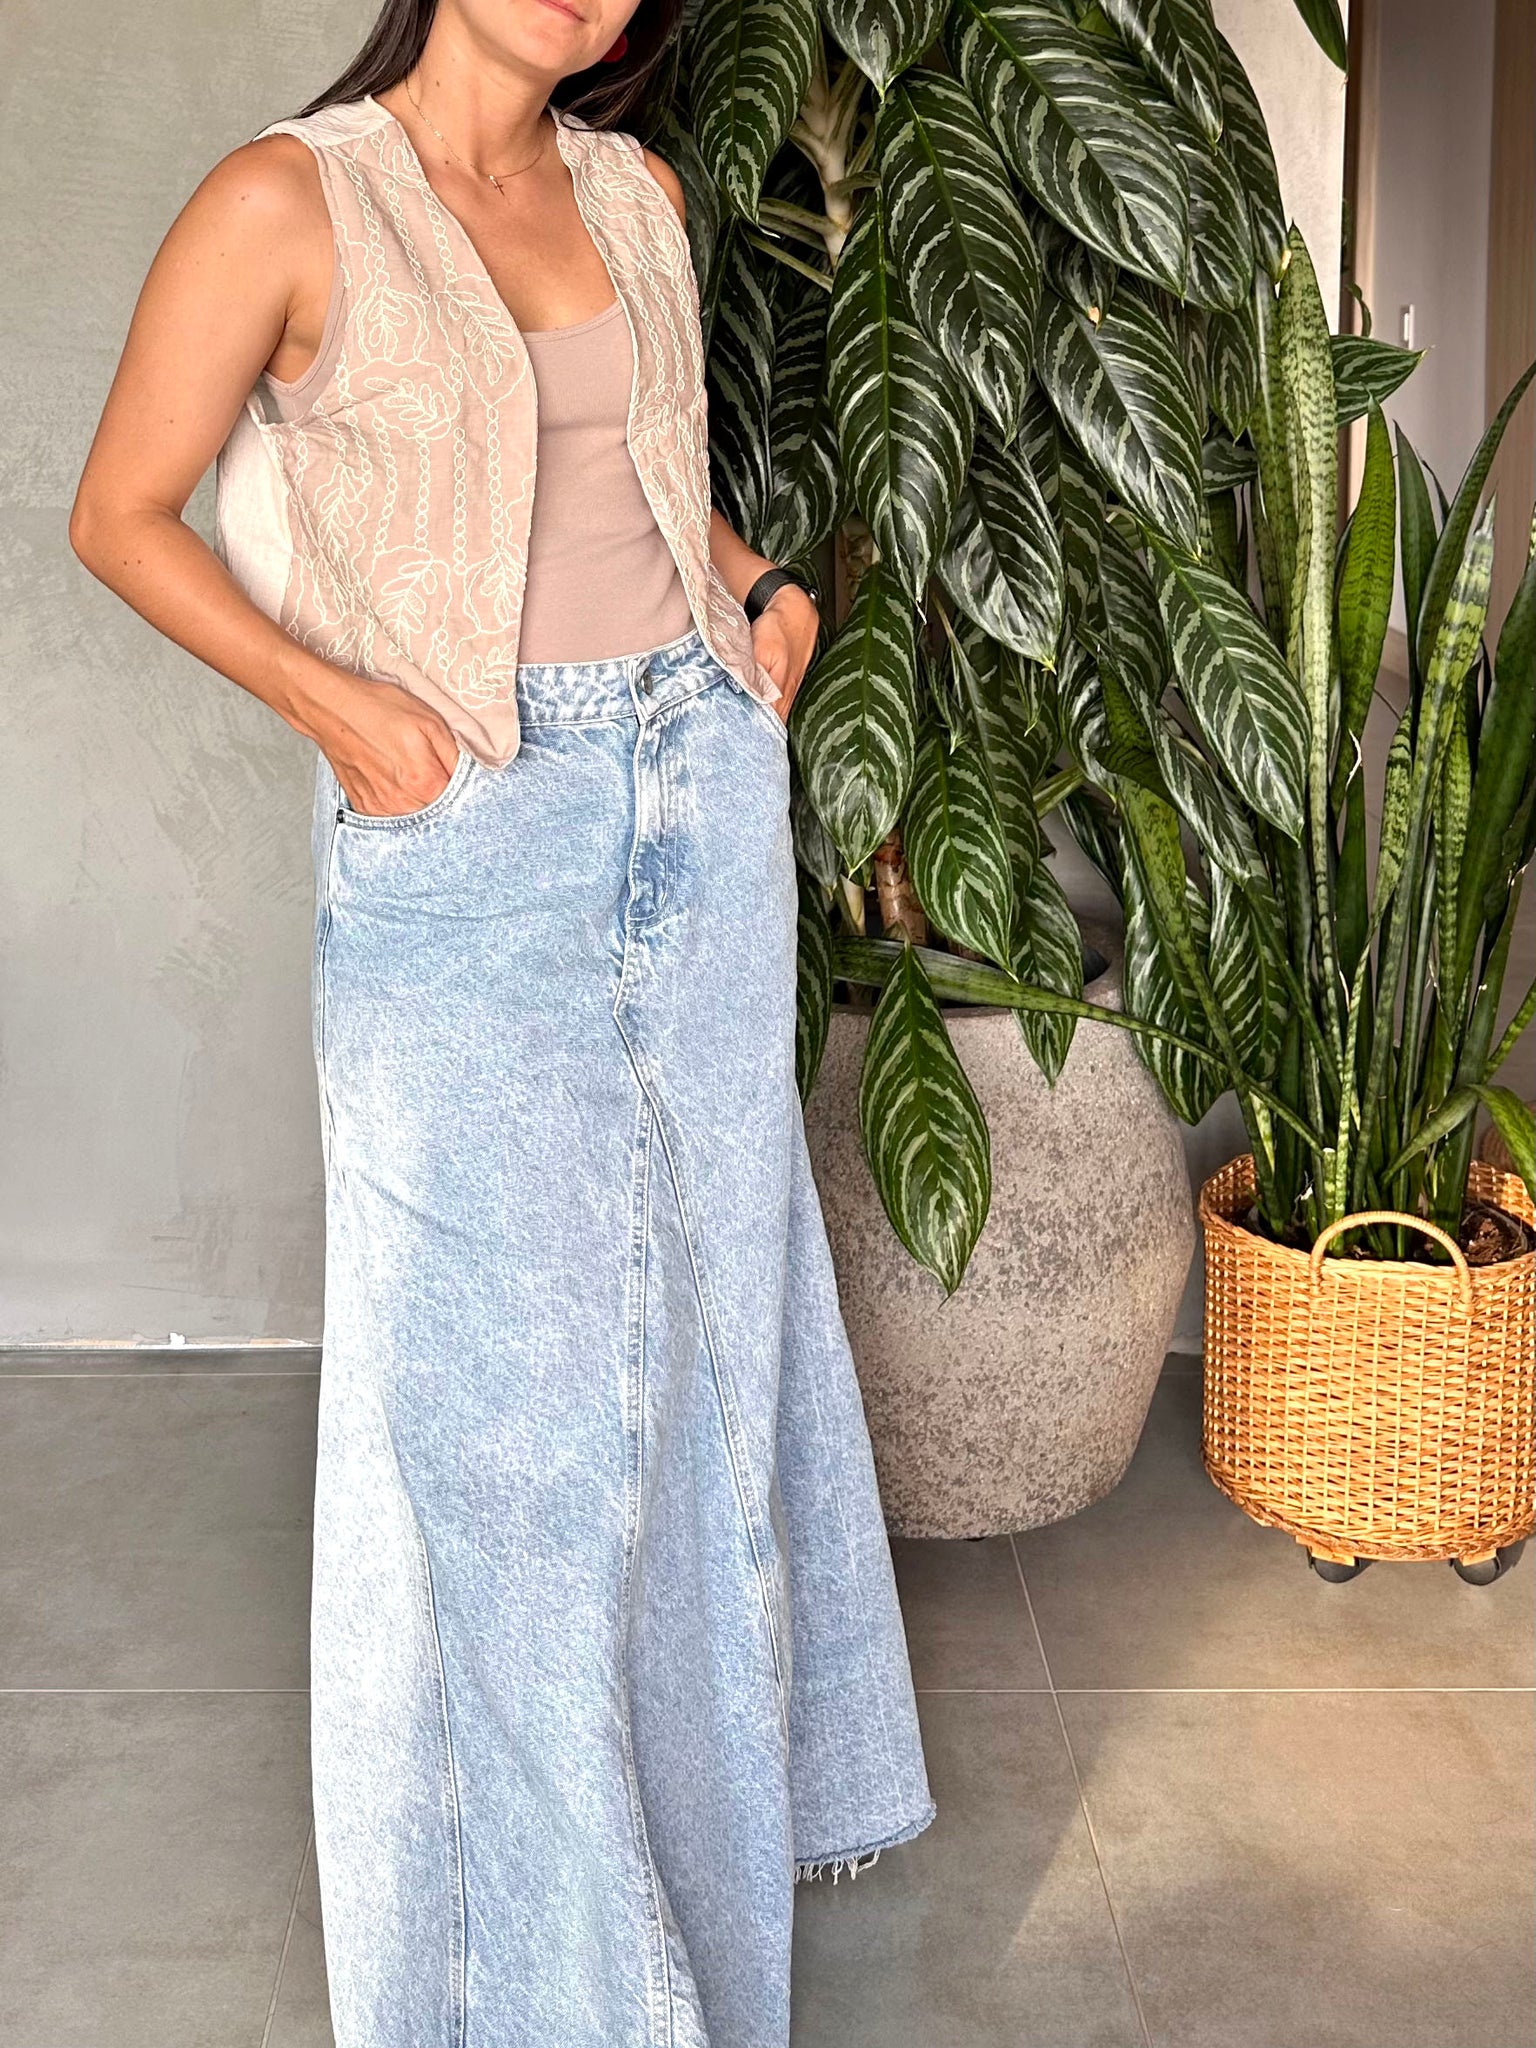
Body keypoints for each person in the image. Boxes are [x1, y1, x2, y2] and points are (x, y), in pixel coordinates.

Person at [69, 1, 934, 2041]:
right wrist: (344, 713)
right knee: (495, 1445)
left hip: (697, 801)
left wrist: (764, 598)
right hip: (468, 837)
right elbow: (120, 513)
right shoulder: (289, 200)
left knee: (704, 1363)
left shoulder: (634, 193)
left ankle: (700, 1952)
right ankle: (544, 1990)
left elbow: (645, 486)